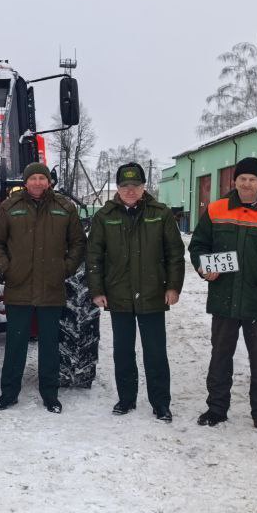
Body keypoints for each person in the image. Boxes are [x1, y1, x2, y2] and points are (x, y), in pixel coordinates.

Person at [187, 157, 257, 435]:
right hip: (224, 298)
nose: (246, 184)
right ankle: (216, 408)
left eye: (252, 179)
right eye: (242, 179)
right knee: (220, 356)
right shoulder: (216, 209)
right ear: (233, 182)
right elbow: (198, 245)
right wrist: (204, 267)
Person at [86, 162, 185, 422]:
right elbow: (94, 256)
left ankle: (161, 403)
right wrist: (97, 290)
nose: (130, 191)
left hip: (153, 293)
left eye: (135, 186)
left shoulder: (160, 214)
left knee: (155, 352)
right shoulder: (104, 216)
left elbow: (175, 253)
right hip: (119, 295)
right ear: (117, 189)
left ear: (144, 188)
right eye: (124, 186)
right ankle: (126, 399)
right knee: (123, 351)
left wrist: (173, 287)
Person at [0, 162, 87, 414]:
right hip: (18, 286)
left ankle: (50, 395)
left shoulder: (65, 208)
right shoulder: (10, 207)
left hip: (52, 287)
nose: (38, 183)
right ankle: (8, 393)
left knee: (50, 345)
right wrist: (6, 269)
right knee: (15, 344)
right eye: (33, 179)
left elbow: (77, 243)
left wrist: (65, 268)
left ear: (49, 182)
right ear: (26, 181)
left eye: (42, 178)